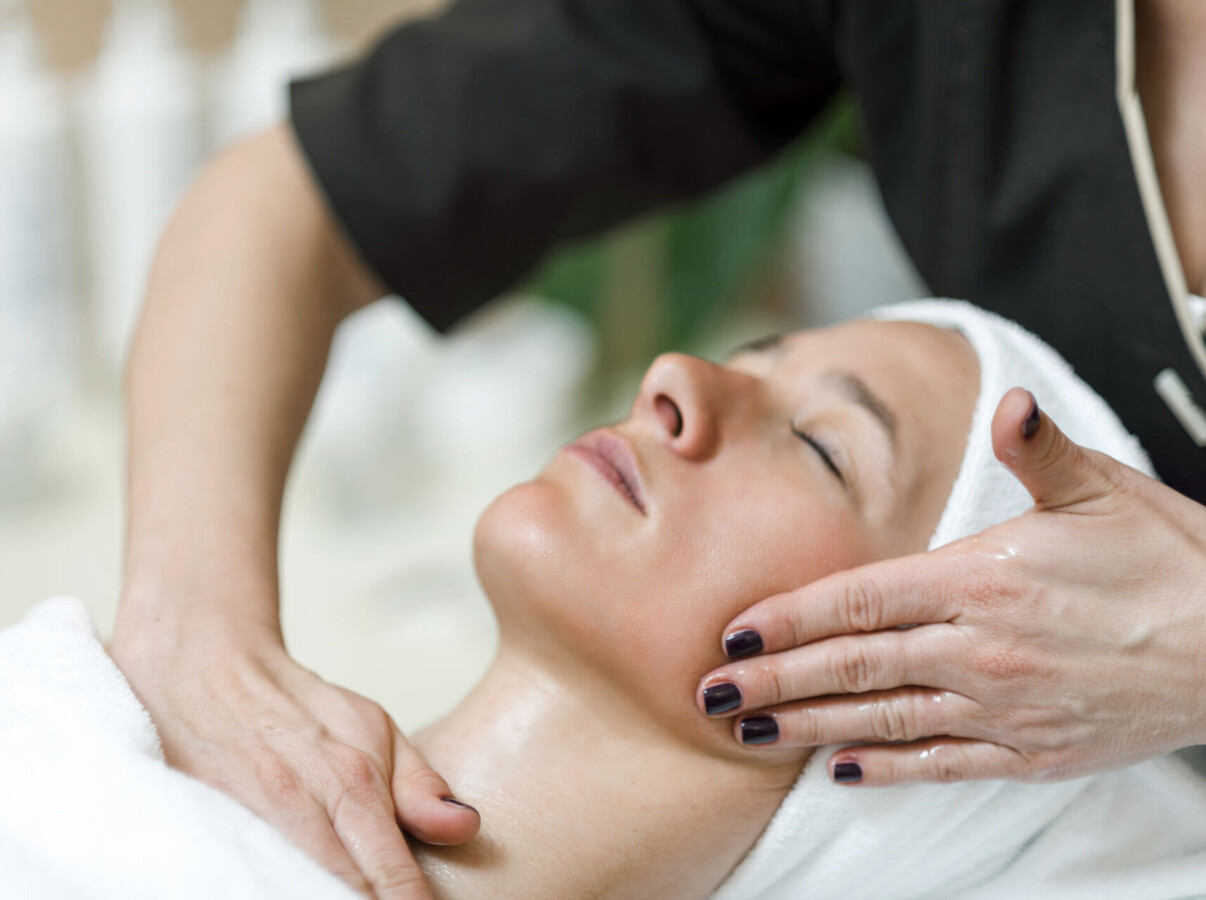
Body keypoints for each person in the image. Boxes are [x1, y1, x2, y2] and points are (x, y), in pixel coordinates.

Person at [109, 1, 1206, 897]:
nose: (675, 374)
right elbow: (301, 197)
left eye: (827, 448)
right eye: (760, 352)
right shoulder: (70, 756)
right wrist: (191, 636)